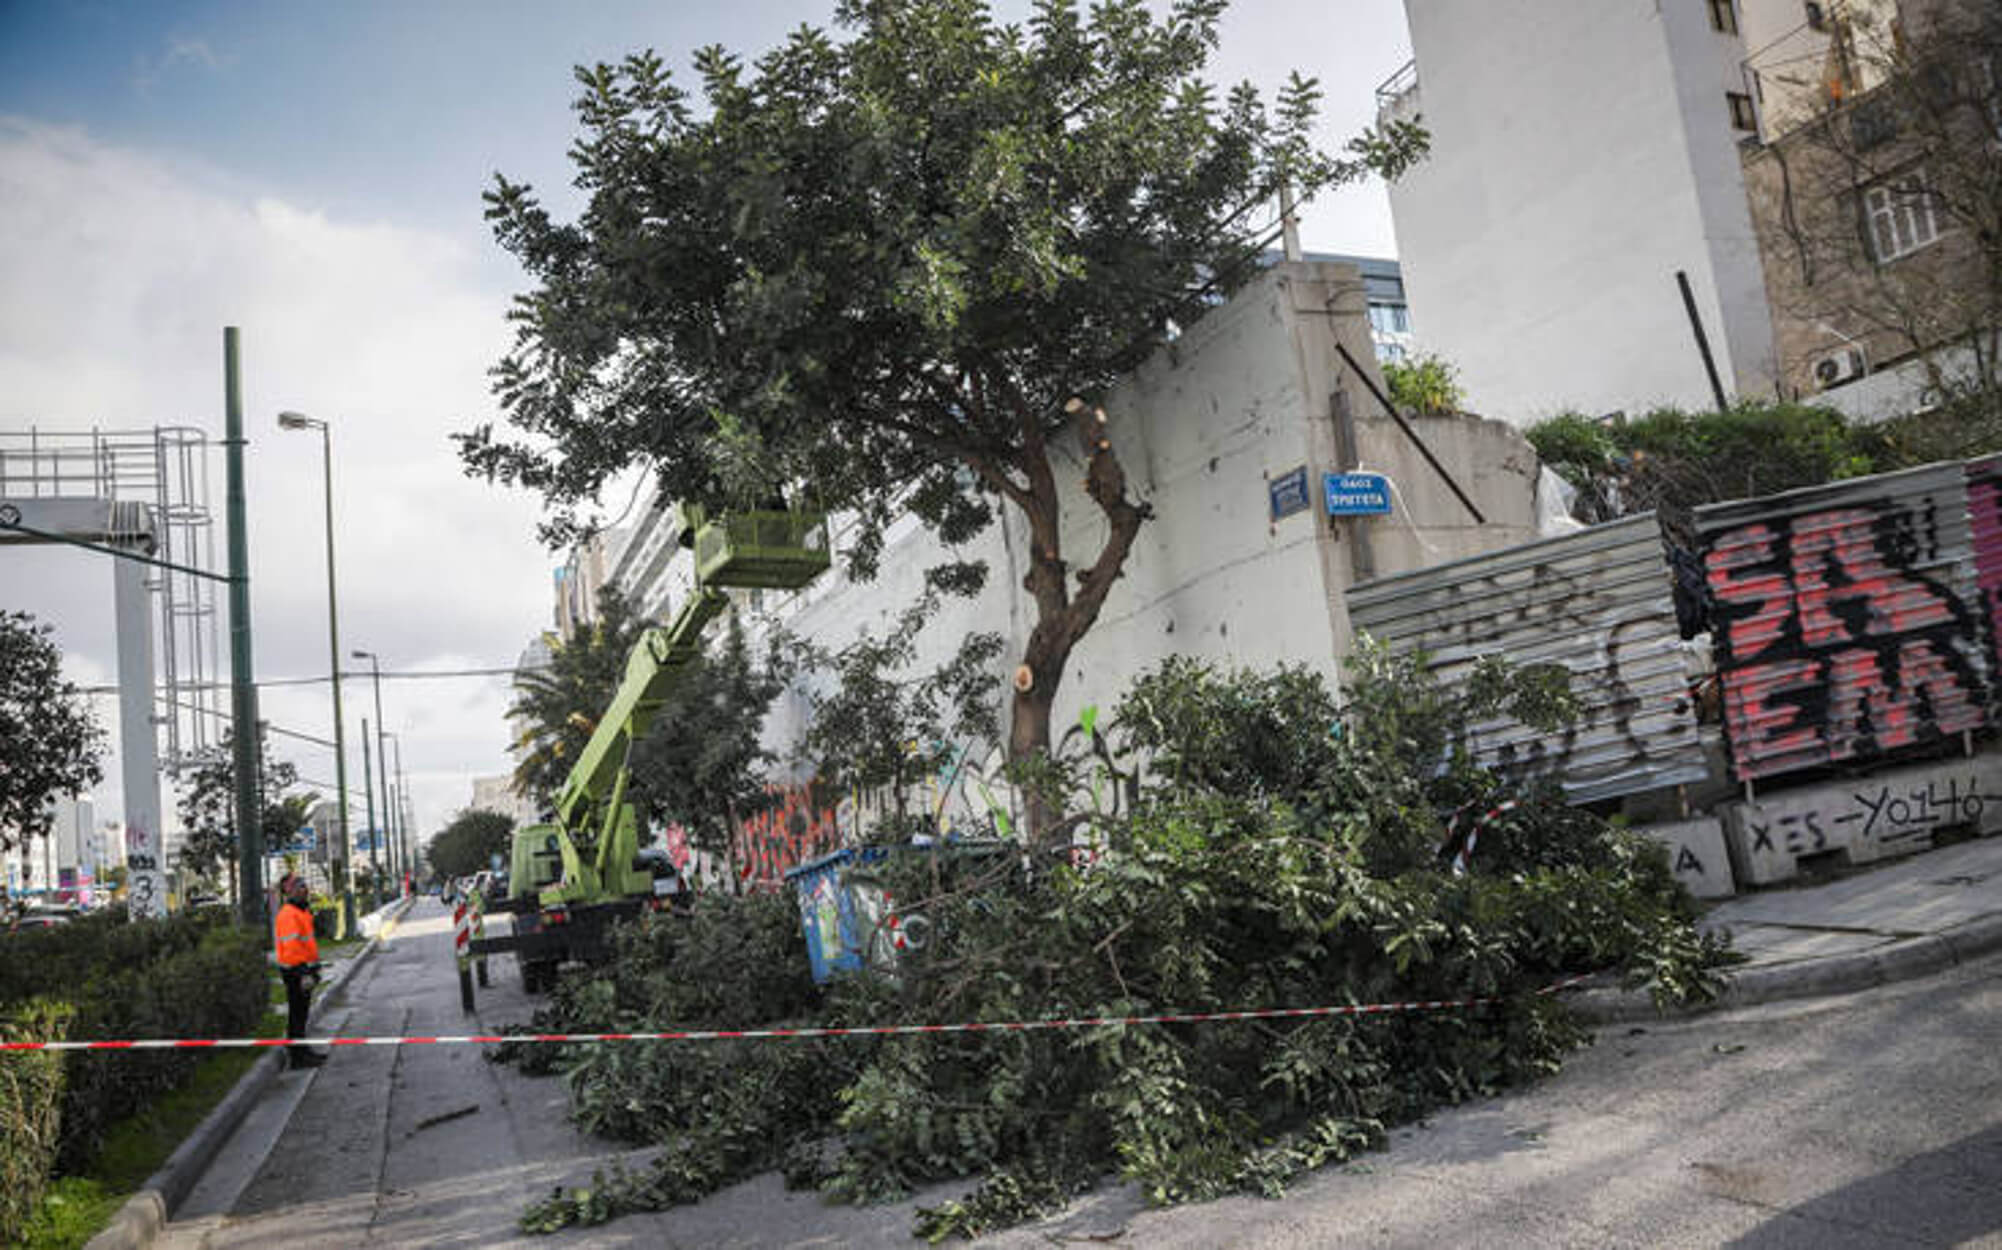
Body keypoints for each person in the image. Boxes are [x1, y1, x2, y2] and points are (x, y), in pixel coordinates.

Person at [273, 874, 326, 1069]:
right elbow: (292, 948)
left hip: (304, 969)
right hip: (295, 972)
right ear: (290, 891)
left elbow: (306, 944)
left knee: (302, 1015)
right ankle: (298, 1057)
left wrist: (314, 968)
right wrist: (303, 972)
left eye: (305, 885)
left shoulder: (301, 912)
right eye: (300, 886)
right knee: (297, 1016)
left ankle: (303, 1052)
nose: (305, 889)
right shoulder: (288, 914)